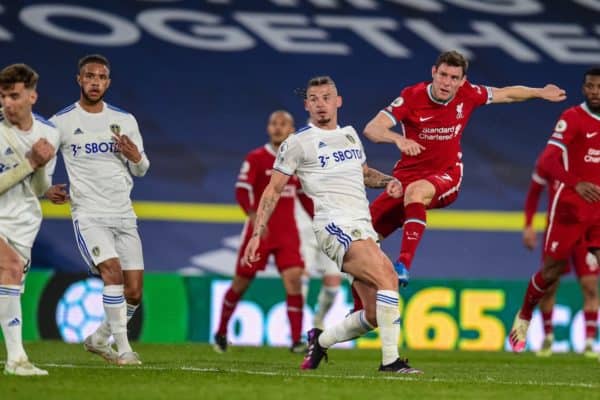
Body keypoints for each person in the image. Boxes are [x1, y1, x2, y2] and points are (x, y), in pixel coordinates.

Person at [243, 76, 421, 374]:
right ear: (307, 105)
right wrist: (256, 234)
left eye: (327, 97)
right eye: (314, 99)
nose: (321, 104)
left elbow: (363, 174)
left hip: (362, 225)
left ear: (338, 101)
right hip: (334, 225)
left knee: (375, 314)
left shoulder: (350, 135)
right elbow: (273, 190)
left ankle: (320, 341)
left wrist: (389, 181)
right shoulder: (298, 142)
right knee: (388, 276)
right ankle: (391, 362)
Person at [363, 50, 566, 285]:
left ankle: (403, 264)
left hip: (446, 175)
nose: (446, 83)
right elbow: (372, 128)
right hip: (406, 178)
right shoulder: (412, 97)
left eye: (453, 78)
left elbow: (506, 94)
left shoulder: (468, 94)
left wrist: (540, 92)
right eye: (443, 75)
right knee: (361, 241)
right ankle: (364, 312)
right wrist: (398, 139)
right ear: (433, 73)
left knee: (416, 191)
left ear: (462, 81)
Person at [45, 54, 149, 365]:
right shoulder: (61, 122)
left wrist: (135, 156)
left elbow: (142, 169)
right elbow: (43, 167)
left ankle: (99, 338)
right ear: (79, 80)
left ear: (108, 82)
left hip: (124, 214)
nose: (95, 82)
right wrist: (46, 189)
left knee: (134, 293)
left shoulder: (125, 120)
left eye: (101, 77)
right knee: (112, 274)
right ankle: (124, 349)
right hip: (89, 214)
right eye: (89, 76)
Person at [509, 67, 600, 354]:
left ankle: (589, 342)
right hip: (568, 211)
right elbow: (547, 162)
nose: (594, 91)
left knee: (590, 283)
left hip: (598, 212)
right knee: (551, 273)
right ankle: (524, 315)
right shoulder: (572, 118)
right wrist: (576, 183)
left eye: (599, 86)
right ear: (583, 88)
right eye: (590, 86)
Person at [214, 110, 311, 354]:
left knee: (294, 281)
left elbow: (304, 197)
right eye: (274, 124)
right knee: (241, 282)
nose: (278, 128)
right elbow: (241, 190)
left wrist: (319, 220)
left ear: (292, 129)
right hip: (260, 232)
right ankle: (222, 331)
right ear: (269, 128)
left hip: (287, 233)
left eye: (283, 124)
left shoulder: (295, 161)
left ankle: (297, 340)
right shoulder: (256, 158)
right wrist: (254, 216)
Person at [0, 63, 58, 375]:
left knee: (9, 283)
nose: (7, 103)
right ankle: (17, 360)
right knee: (9, 267)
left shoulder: (49, 133)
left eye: (14, 96)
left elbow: (38, 189)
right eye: (3, 96)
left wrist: (40, 166)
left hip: (23, 222)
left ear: (31, 97)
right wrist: (30, 162)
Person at [522, 165, 599, 357]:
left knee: (590, 285)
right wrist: (528, 225)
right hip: (558, 228)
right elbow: (534, 192)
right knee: (550, 284)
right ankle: (548, 338)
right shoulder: (553, 161)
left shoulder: (589, 159)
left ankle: (589, 341)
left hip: (586, 228)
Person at [295, 198, 343, 330]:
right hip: (304, 226)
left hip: (331, 228)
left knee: (333, 285)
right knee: (300, 276)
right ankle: (297, 329)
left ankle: (318, 321)